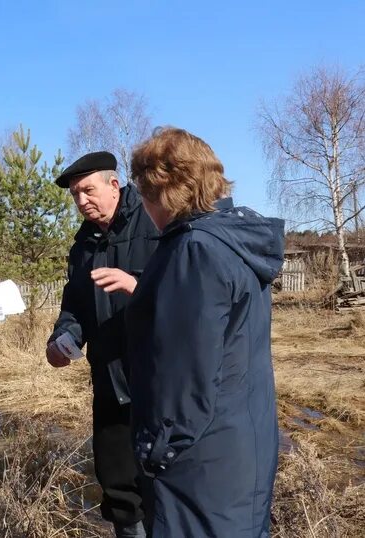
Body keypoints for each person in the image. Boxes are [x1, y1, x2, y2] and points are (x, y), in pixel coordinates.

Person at [126, 127, 283, 536]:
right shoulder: (234, 240)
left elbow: (183, 377)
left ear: (161, 190)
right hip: (240, 441)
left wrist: (153, 454)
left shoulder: (193, 250)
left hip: (199, 462)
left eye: (144, 193)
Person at [46, 151, 158, 537]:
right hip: (110, 384)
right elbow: (75, 306)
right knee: (119, 491)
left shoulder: (156, 221)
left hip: (160, 384)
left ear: (114, 185)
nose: (81, 202)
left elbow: (191, 291)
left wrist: (137, 288)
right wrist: (62, 339)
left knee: (164, 488)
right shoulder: (83, 247)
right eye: (75, 195)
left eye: (87, 190)